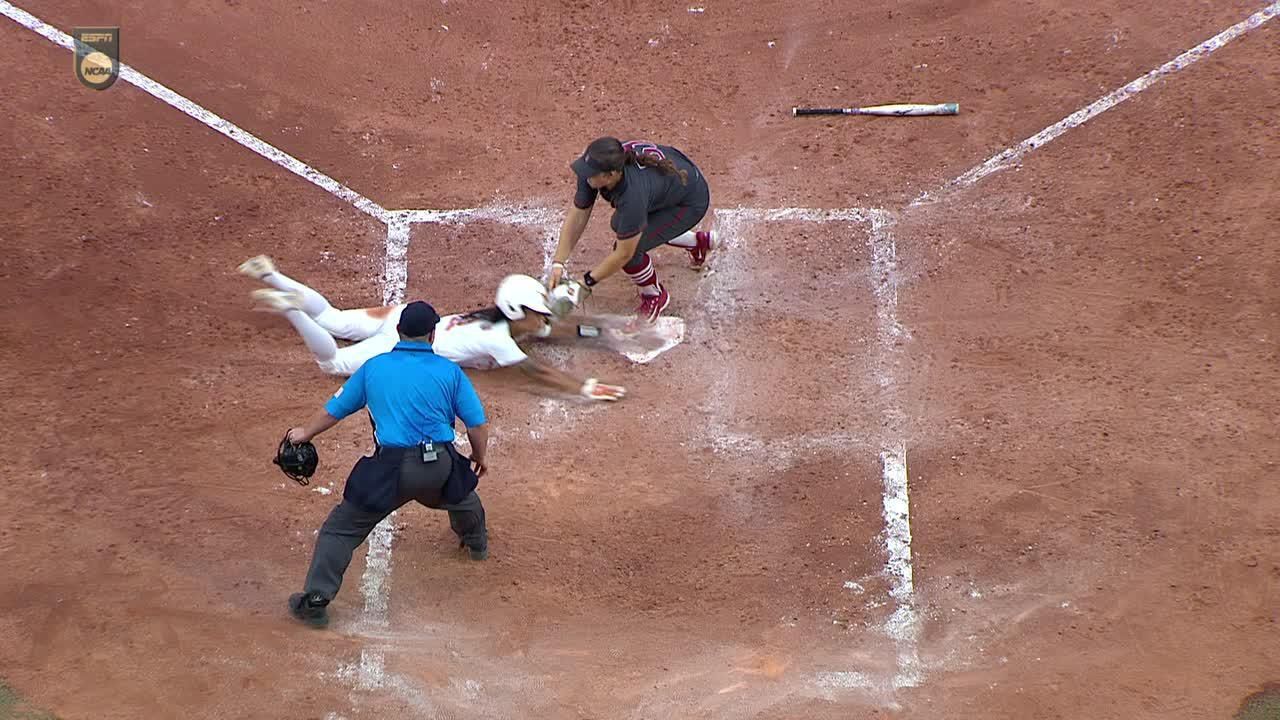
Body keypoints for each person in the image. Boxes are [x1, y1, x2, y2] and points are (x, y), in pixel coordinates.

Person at [283, 300, 491, 628]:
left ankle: (316, 601)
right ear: (432, 334)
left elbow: (334, 411)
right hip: (437, 467)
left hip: (390, 472)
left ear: (398, 332)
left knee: (341, 529)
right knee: (461, 492)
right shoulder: (450, 372)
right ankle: (477, 543)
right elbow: (477, 425)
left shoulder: (374, 367)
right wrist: (478, 458)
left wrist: (303, 433)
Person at [238, 256, 625, 402]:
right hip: (403, 341)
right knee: (333, 363)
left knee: (334, 318)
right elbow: (536, 371)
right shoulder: (498, 338)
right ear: (515, 310)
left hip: (403, 316)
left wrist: (591, 333)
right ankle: (292, 311)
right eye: (536, 311)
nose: (542, 317)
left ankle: (273, 275)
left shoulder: (497, 317)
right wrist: (583, 387)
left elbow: (548, 328)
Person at [547, 137, 715, 326]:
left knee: (632, 250)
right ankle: (697, 243)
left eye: (592, 174)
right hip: (671, 184)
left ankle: (654, 296)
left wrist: (585, 284)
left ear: (611, 175)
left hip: (689, 202)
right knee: (621, 224)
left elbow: (623, 254)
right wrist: (558, 263)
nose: (586, 176)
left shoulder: (632, 197)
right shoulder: (599, 165)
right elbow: (579, 214)